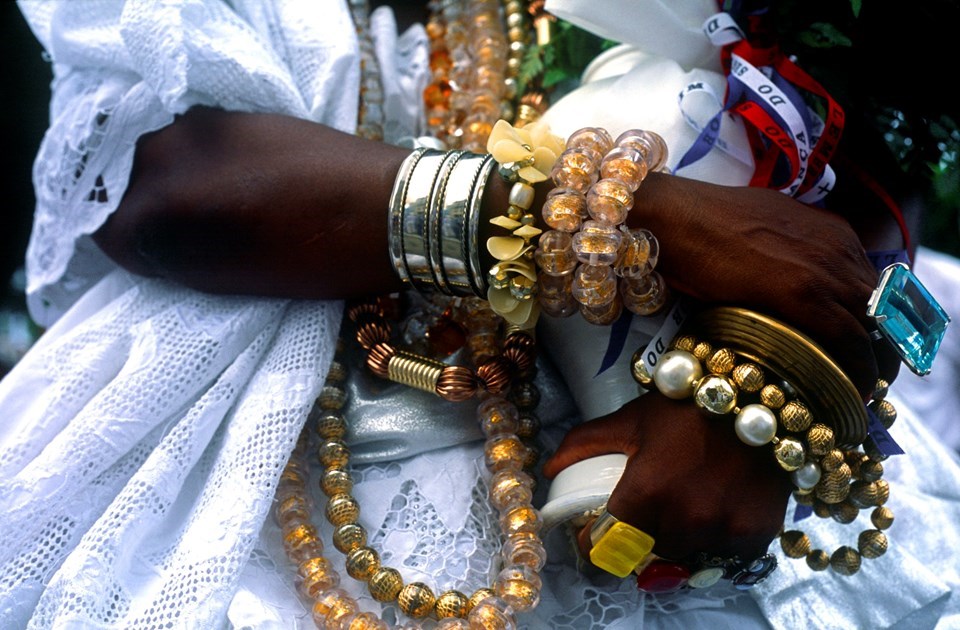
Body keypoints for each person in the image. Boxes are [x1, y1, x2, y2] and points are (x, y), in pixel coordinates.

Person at [1, 0, 958, 628]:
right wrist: (632, 216)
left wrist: (761, 384)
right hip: (241, 531)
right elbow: (170, 189)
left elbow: (870, 160)